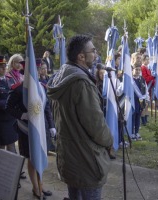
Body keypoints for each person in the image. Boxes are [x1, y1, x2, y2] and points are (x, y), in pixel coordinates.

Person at [47, 35, 113, 200]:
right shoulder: (81, 83)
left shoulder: (62, 74)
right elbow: (96, 125)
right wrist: (110, 141)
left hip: (70, 157)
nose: (96, 54)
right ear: (81, 57)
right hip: (86, 160)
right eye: (93, 50)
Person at [5, 59, 54, 199]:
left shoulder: (42, 87)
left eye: (37, 69)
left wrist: (51, 126)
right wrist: (22, 115)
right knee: (32, 159)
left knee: (41, 156)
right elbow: (8, 107)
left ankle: (41, 184)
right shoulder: (18, 89)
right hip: (26, 129)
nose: (37, 72)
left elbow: (47, 109)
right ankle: (35, 187)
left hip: (41, 129)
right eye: (33, 70)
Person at [132, 64, 149, 141]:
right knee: (133, 116)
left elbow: (145, 89)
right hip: (133, 100)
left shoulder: (142, 79)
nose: (138, 71)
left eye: (139, 70)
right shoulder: (130, 79)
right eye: (136, 70)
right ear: (132, 70)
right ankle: (132, 132)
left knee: (138, 115)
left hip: (140, 101)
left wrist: (147, 99)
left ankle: (136, 132)